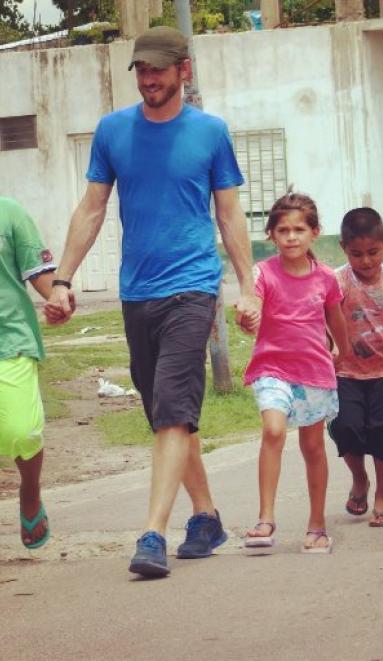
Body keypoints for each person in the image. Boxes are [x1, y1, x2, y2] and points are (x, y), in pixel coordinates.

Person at [44, 26, 259, 578]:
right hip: (136, 291)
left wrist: (247, 285)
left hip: (192, 287)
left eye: (159, 69)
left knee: (170, 407)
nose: (149, 78)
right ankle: (206, 516)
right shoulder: (114, 131)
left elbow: (229, 214)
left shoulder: (210, 132)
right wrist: (63, 279)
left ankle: (152, 534)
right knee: (166, 415)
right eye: (141, 69)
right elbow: (92, 208)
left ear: (184, 70)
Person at [243, 190, 348, 553]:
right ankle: (265, 517)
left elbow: (336, 318)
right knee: (273, 430)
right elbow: (251, 303)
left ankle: (317, 525)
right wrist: (248, 315)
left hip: (314, 372)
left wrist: (343, 352)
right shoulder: (263, 273)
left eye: (299, 229)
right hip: (272, 369)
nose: (291, 236)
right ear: (271, 235)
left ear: (314, 233)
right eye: (283, 230)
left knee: (313, 446)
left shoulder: (326, 278)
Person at [0, 197, 73, 549]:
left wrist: (56, 297)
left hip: (9, 336)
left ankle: (30, 489)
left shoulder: (9, 213)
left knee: (21, 430)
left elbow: (38, 271)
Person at [327, 208, 383, 527]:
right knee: (346, 427)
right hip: (346, 373)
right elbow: (323, 324)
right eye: (357, 254)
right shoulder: (336, 282)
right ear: (344, 247)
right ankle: (360, 480)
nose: (366, 261)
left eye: (373, 252)